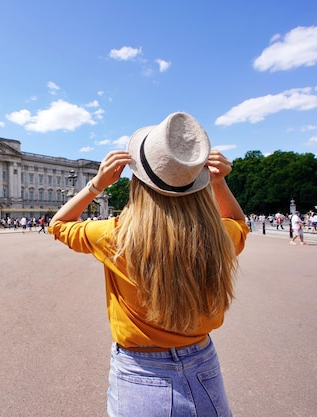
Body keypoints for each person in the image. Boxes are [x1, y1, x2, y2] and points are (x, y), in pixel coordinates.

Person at [48, 112, 249, 416]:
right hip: (204, 362)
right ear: (199, 179)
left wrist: (97, 184)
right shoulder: (220, 236)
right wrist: (219, 184)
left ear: (137, 182)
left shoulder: (114, 235)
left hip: (140, 372)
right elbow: (237, 221)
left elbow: (58, 225)